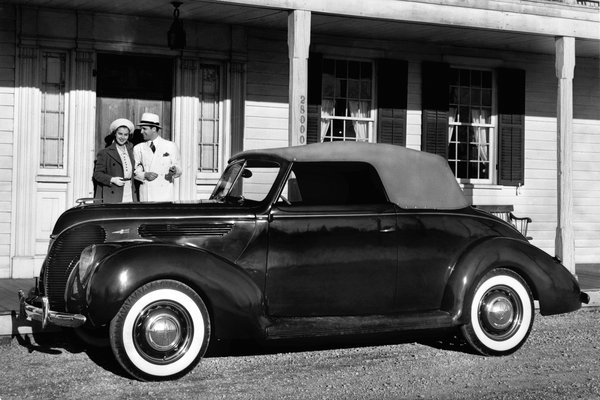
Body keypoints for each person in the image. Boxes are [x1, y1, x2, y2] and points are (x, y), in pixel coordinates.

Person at [133, 112, 182, 202]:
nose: (141, 132)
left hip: (165, 193)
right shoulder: (138, 148)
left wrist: (175, 170)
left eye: (144, 129)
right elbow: (136, 171)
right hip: (147, 193)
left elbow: (179, 169)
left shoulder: (170, 145)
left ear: (154, 129)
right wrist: (145, 175)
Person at [93, 118, 137, 203]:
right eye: (120, 134)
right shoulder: (105, 152)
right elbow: (97, 174)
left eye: (126, 134)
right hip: (114, 191)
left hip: (129, 190)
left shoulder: (131, 151)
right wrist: (112, 179)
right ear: (115, 134)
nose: (122, 137)